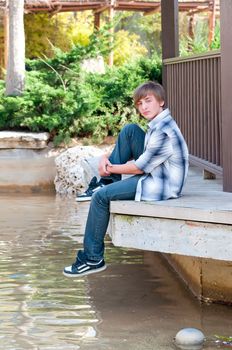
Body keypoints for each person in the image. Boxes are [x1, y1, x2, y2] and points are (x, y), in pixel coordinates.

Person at [63, 81, 189, 277]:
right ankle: (107, 181)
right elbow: (143, 159)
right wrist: (107, 158)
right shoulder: (159, 123)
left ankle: (92, 259)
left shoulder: (164, 131)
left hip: (161, 185)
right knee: (130, 130)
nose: (144, 107)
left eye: (148, 101)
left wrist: (109, 166)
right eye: (139, 104)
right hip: (157, 174)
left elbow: (139, 168)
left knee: (100, 198)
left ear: (161, 101)